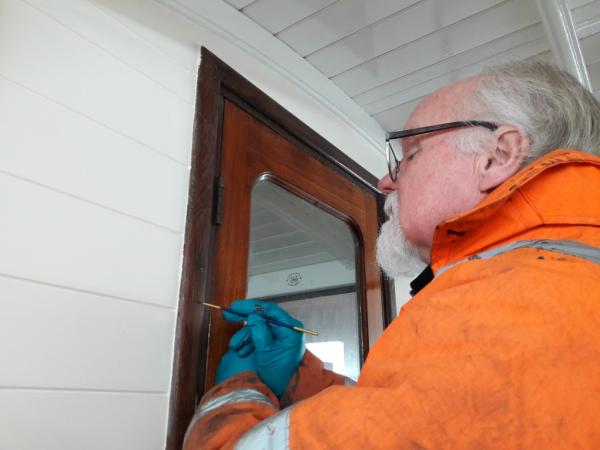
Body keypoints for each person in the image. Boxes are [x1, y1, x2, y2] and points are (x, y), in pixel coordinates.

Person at [183, 61, 600, 449]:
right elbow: (400, 420)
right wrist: (299, 377)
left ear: (498, 155)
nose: (385, 181)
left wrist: (238, 388)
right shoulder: (560, 285)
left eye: (410, 154)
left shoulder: (510, 305)